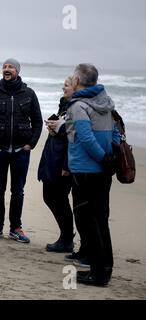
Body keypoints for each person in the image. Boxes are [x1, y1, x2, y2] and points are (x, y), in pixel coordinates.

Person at [65, 63, 120, 286]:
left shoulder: (79, 106)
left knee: (88, 221)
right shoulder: (106, 101)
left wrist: (102, 158)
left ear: (77, 82)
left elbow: (86, 138)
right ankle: (105, 269)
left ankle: (98, 274)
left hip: (85, 170)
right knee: (101, 220)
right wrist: (109, 157)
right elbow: (116, 130)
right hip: (102, 172)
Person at [0, 58, 43, 243]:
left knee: (18, 191)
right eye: (4, 67)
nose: (7, 69)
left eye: (11, 67)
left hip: (21, 150)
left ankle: (16, 228)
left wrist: (31, 144)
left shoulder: (29, 94)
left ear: (17, 71)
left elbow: (38, 121)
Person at [38, 77, 75, 253]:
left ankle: (67, 239)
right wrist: (55, 127)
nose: (63, 87)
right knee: (50, 196)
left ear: (76, 88)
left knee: (59, 198)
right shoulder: (65, 104)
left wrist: (68, 166)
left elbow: (75, 138)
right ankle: (66, 236)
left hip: (64, 161)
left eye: (66, 85)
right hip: (53, 156)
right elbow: (65, 130)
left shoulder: (77, 108)